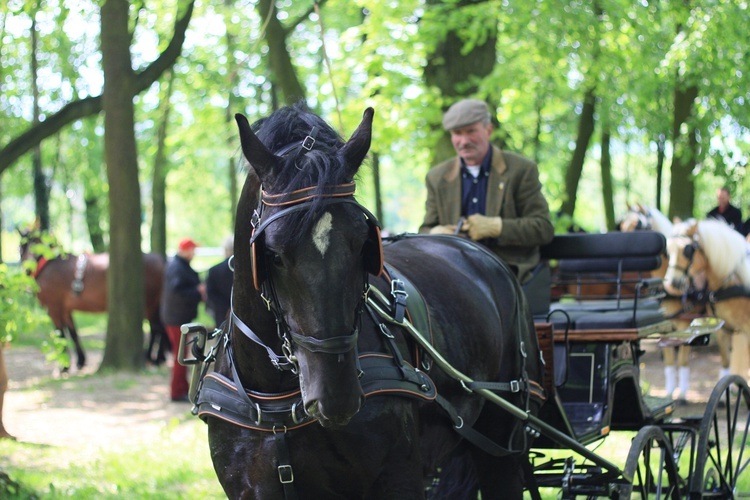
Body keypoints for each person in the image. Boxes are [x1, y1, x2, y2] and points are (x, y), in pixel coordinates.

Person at [419, 99, 554, 287]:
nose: (464, 141)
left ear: (488, 130)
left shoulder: (521, 170)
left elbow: (543, 229)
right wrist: (435, 233)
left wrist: (497, 227)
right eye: (457, 133)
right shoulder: (437, 177)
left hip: (507, 273)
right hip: (454, 271)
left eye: (471, 131)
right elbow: (424, 230)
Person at [160, 237, 205, 402]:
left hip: (179, 317)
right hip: (176, 319)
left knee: (182, 356)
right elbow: (177, 292)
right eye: (192, 249)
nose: (194, 253)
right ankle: (176, 392)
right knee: (180, 357)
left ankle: (183, 388)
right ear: (185, 250)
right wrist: (198, 292)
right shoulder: (177, 267)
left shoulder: (179, 266)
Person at [206, 235, 234, 328]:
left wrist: (225, 307)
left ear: (226, 250)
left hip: (222, 313)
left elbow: (211, 293)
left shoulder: (214, 270)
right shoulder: (250, 270)